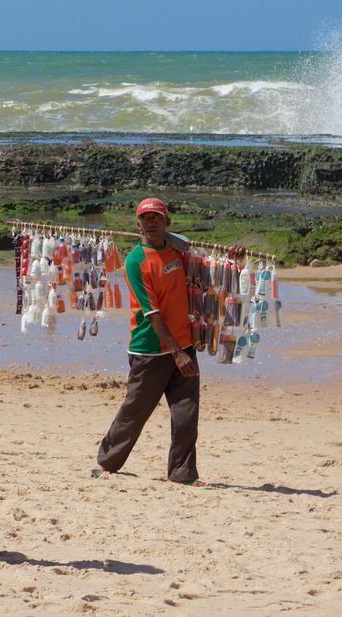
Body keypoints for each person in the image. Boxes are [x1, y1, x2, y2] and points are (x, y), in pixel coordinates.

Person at [95, 197, 244, 485]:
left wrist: (233, 258)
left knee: (186, 414)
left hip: (184, 344)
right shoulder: (136, 261)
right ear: (138, 224)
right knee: (135, 411)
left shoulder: (177, 253)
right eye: (145, 218)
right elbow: (152, 313)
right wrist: (176, 353)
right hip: (150, 349)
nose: (150, 222)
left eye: (156, 217)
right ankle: (108, 462)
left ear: (166, 222)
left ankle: (182, 474)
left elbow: (208, 271)